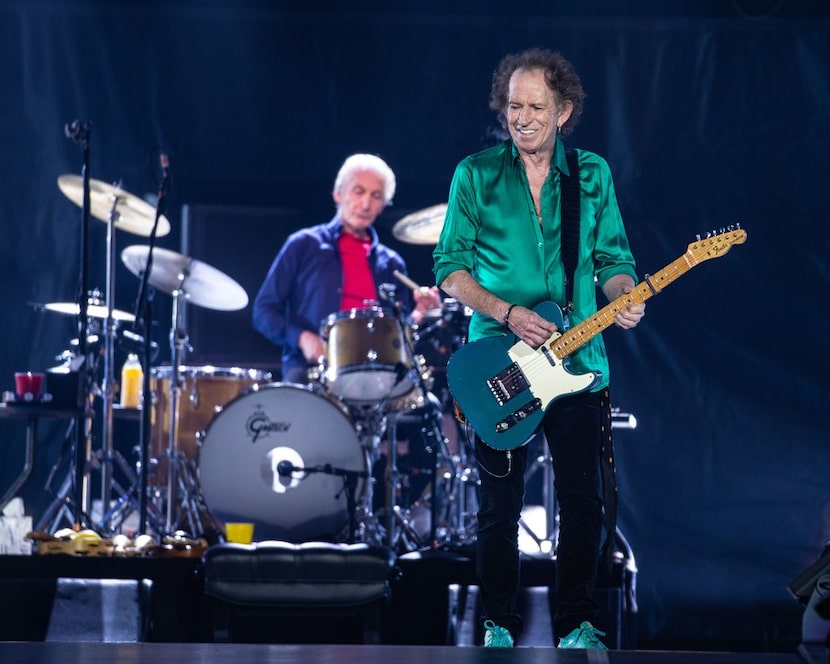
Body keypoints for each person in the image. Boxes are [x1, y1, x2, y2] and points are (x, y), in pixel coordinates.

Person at [433, 48, 645, 649]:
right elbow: (449, 267)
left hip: (581, 362)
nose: (522, 117)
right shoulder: (475, 174)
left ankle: (578, 621)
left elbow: (614, 260)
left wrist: (624, 295)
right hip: (498, 364)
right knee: (499, 508)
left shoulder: (592, 175)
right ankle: (498, 624)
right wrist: (506, 313)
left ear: (564, 111)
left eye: (536, 107)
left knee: (584, 503)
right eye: (513, 105)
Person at [253, 152, 441, 385]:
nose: (365, 204)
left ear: (383, 205)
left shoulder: (392, 263)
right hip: (311, 372)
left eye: (376, 196)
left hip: (375, 377)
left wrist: (420, 316)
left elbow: (398, 337)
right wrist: (302, 338)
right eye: (358, 191)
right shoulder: (303, 245)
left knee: (426, 402)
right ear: (338, 194)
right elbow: (263, 311)